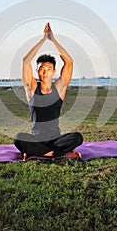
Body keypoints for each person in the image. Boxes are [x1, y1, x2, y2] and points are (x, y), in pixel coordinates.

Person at [14, 22, 83, 160]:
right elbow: (25, 61)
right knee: (18, 138)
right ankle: (56, 153)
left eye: (48, 69)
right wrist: (43, 39)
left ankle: (40, 153)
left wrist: (53, 40)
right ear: (37, 71)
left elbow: (69, 62)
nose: (45, 73)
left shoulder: (59, 88)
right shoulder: (32, 88)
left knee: (77, 137)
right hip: (36, 139)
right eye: (41, 69)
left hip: (56, 140)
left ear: (54, 72)